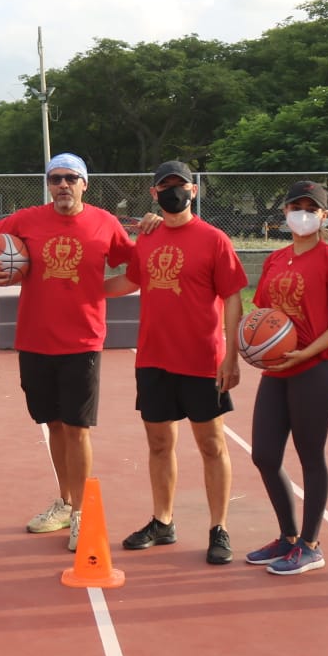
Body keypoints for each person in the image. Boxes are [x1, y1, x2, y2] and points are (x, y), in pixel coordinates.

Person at [0, 153, 134, 552]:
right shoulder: (27, 219)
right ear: (48, 184)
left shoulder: (105, 223)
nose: (62, 185)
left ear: (85, 184)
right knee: (53, 425)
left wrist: (97, 291)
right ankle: (66, 501)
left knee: (78, 428)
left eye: (70, 178)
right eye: (55, 179)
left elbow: (134, 270)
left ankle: (82, 512)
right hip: (34, 339)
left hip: (82, 340)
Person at [105, 161, 247, 565]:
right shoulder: (146, 238)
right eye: (164, 186)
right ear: (153, 194)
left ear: (193, 190)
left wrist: (230, 356)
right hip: (154, 358)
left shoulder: (214, 239)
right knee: (159, 443)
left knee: (211, 445)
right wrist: (82, 291)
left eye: (179, 185)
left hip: (202, 360)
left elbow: (234, 297)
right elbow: (130, 281)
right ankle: (162, 521)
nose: (172, 191)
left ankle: (218, 527)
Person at [241, 181, 328, 575]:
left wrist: (308, 350)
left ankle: (311, 544)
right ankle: (288, 537)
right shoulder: (276, 260)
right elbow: (263, 314)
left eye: (311, 208)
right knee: (263, 453)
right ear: (284, 213)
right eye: (295, 206)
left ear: (324, 216)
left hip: (318, 366)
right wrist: (255, 346)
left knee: (310, 454)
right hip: (279, 369)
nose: (302, 213)